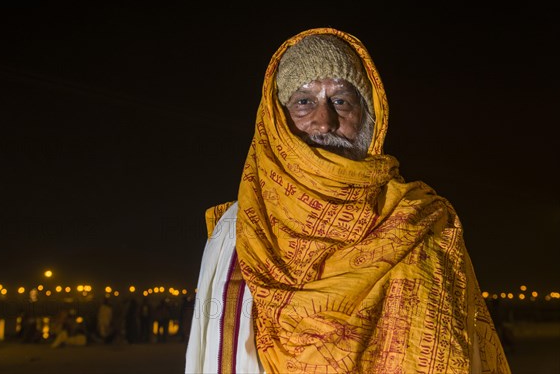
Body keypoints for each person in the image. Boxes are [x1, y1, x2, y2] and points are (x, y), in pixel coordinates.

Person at [185, 28, 511, 373]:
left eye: (341, 101)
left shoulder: (421, 221)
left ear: (369, 117)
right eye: (303, 102)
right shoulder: (242, 230)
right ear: (277, 120)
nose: (323, 122)